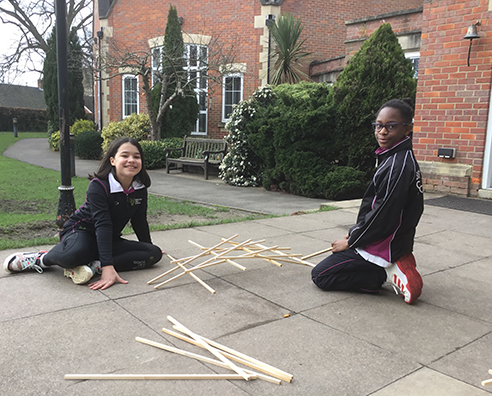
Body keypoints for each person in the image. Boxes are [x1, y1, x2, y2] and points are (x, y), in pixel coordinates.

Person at [4, 137, 163, 290]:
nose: (131, 160)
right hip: (80, 232)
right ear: (113, 160)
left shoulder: (139, 188)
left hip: (108, 239)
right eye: (125, 155)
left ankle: (94, 266)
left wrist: (147, 245)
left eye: (137, 156)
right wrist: (109, 265)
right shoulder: (99, 185)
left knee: (153, 254)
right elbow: (103, 224)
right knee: (73, 256)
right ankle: (42, 259)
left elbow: (139, 220)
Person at [311, 98, 424, 304]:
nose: (382, 132)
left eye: (391, 126)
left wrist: (352, 241)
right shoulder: (397, 157)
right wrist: (357, 231)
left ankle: (381, 273)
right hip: (387, 239)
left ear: (407, 129)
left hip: (381, 243)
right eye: (378, 125)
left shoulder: (396, 165)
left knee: (321, 275)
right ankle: (394, 260)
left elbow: (383, 214)